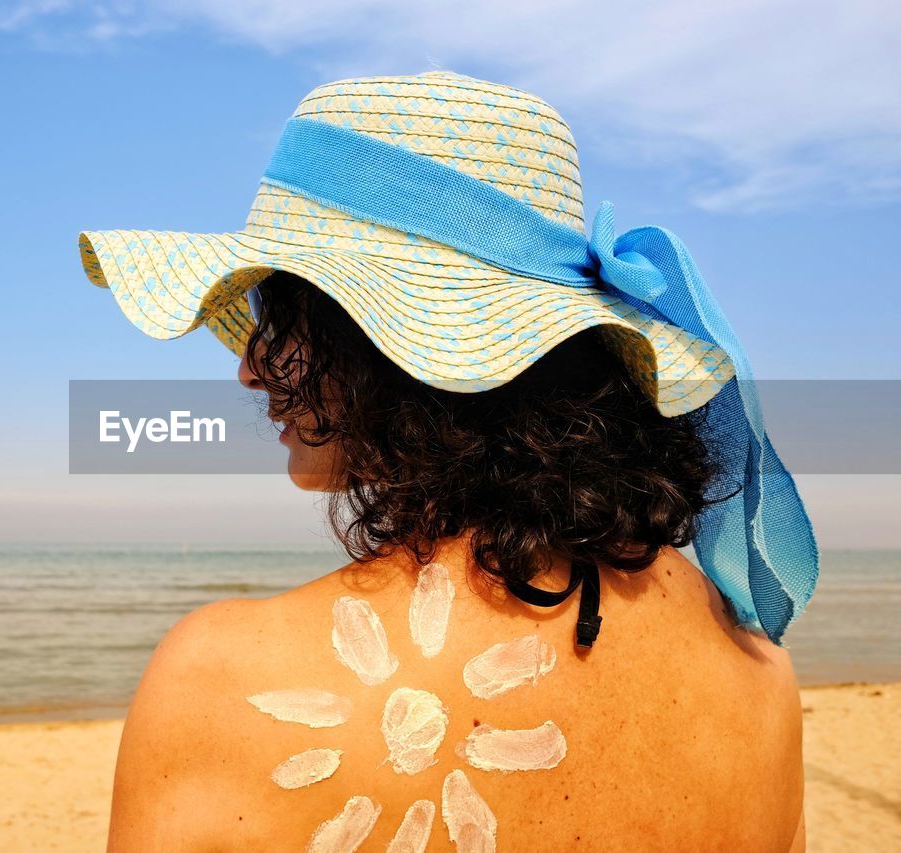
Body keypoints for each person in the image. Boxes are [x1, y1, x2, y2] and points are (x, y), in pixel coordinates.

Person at [78, 70, 816, 851]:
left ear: (383, 342)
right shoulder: (759, 676)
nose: (250, 369)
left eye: (281, 313)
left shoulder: (213, 684)